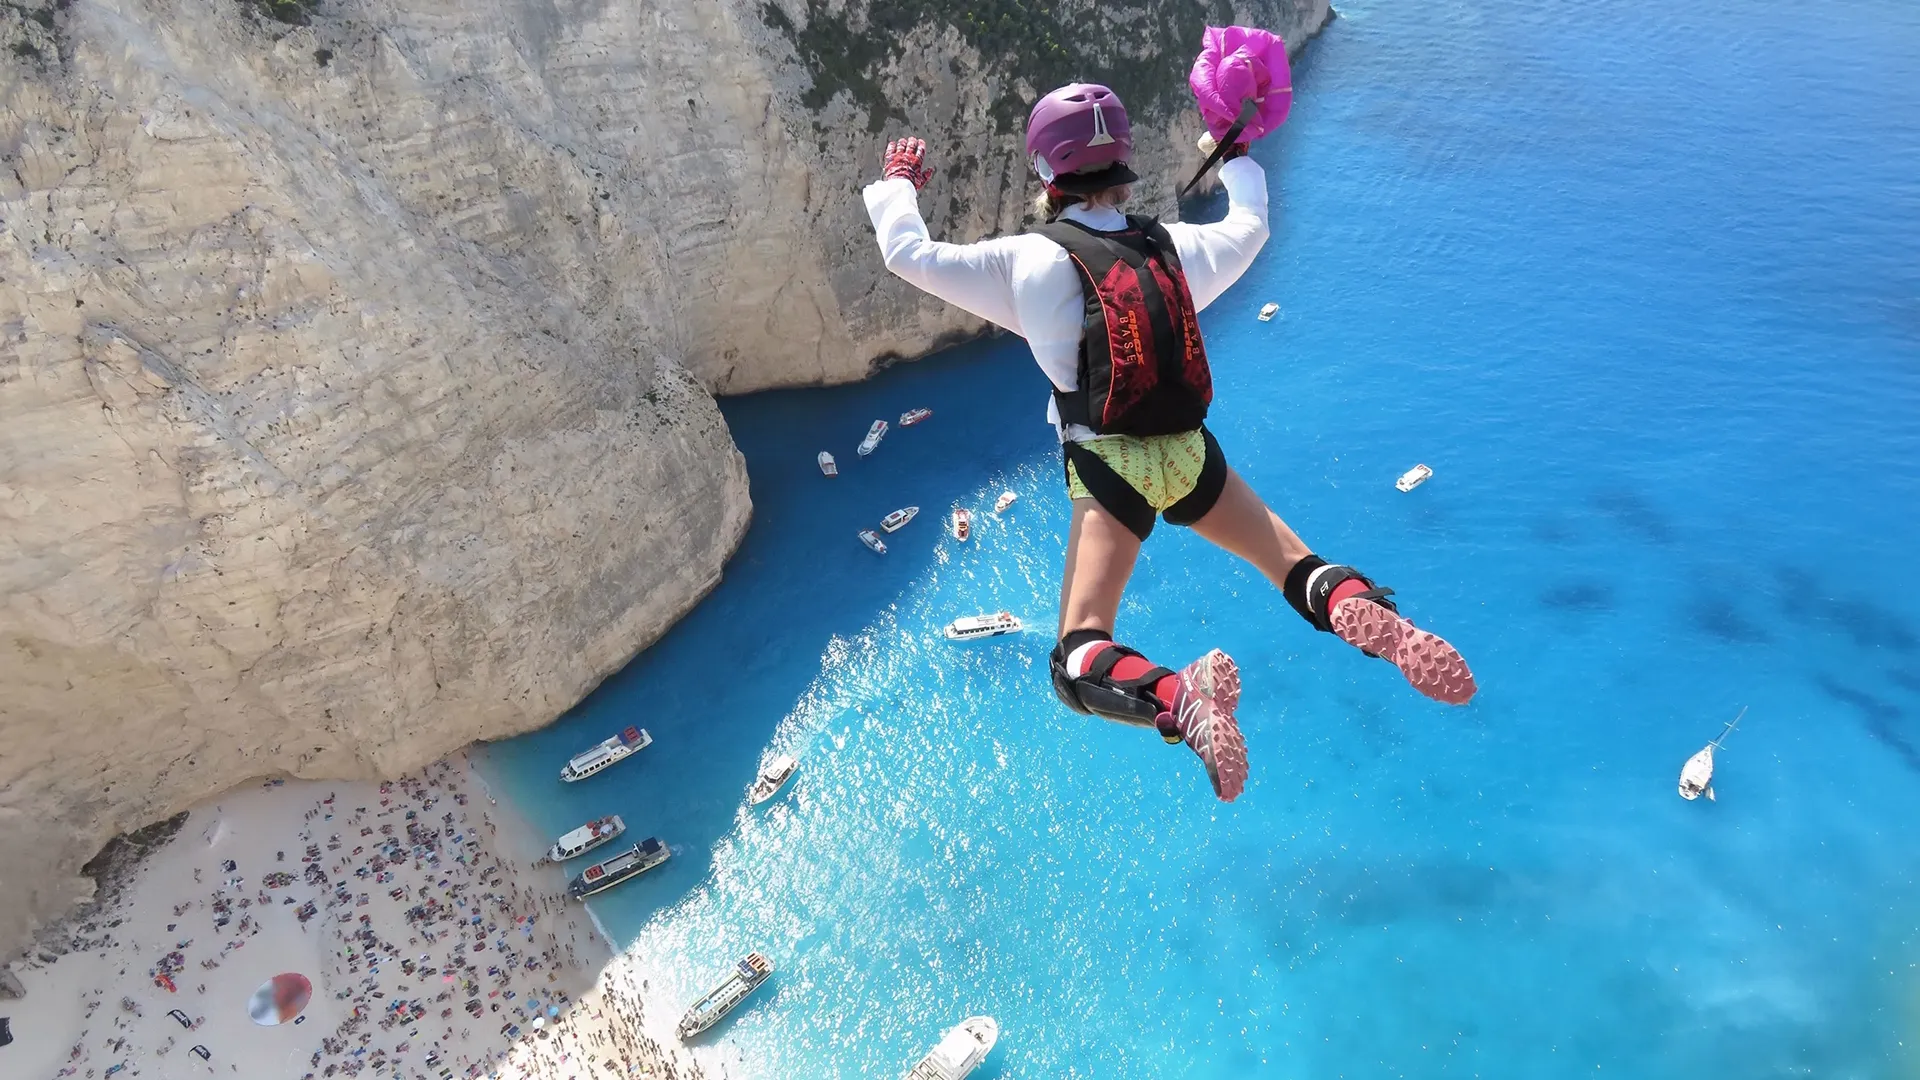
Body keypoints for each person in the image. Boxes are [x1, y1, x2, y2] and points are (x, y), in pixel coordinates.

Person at [862, 82, 1478, 802]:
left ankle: (1180, 697)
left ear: (1043, 170)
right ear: (1124, 157)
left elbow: (908, 254)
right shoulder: (1173, 247)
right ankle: (1359, 610)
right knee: (1292, 563)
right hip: (1191, 452)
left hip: (1107, 463)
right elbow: (1250, 228)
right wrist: (1237, 158)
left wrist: (898, 183)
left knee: (1079, 655)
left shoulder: (1022, 263)